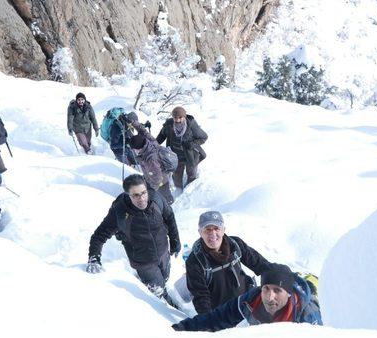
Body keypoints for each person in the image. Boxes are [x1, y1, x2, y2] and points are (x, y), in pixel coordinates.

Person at [86, 174, 180, 303]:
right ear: (127, 194)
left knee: (165, 277)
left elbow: (169, 216)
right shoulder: (119, 211)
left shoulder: (156, 198)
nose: (141, 198)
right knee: (158, 292)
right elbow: (99, 235)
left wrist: (175, 242)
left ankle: (164, 290)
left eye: (143, 193)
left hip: (163, 251)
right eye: (135, 195)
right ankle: (166, 304)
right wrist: (94, 257)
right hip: (144, 262)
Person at [172, 264, 322, 331]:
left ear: (288, 293)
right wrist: (183, 328)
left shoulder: (307, 315)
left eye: (277, 291)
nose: (270, 297)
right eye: (266, 289)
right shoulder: (252, 298)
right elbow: (218, 318)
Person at [186, 211, 270, 314]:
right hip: (224, 315)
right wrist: (209, 322)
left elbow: (260, 264)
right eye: (207, 229)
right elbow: (201, 297)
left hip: (248, 304)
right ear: (200, 232)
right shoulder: (195, 261)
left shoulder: (235, 245)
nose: (213, 234)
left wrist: (283, 277)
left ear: (223, 230)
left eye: (217, 228)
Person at [156, 106, 207, 190]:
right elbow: (160, 137)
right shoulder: (169, 125)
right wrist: (152, 146)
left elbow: (204, 137)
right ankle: (178, 190)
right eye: (175, 117)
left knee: (191, 174)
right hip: (175, 156)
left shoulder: (191, 125)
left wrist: (193, 144)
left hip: (191, 155)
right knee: (177, 175)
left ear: (184, 116)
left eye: (180, 117)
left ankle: (189, 190)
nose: (178, 120)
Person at [128, 115, 175, 205]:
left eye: (134, 149)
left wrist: (151, 189)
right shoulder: (150, 142)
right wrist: (134, 123)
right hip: (157, 173)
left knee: (165, 195)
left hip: (161, 180)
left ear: (138, 149)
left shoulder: (149, 159)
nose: (134, 151)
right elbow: (143, 131)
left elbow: (157, 178)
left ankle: (170, 205)